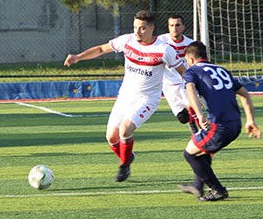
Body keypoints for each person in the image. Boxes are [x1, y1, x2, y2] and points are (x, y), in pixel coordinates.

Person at [64, 10, 187, 182]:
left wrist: (193, 91)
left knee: (125, 130)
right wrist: (78, 57)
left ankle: (124, 166)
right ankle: (127, 157)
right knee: (111, 138)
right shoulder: (127, 40)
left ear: (151, 28)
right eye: (136, 27)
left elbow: (184, 72)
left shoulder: (164, 50)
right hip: (125, 98)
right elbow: (101, 49)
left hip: (147, 100)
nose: (137, 32)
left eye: (142, 28)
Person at [178, 41, 261, 201]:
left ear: (190, 59)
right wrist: (250, 120)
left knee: (189, 154)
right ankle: (197, 186)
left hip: (219, 126)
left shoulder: (192, 71)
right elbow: (245, 94)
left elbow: (190, 91)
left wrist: (200, 115)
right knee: (202, 150)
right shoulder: (222, 70)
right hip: (235, 124)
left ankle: (218, 190)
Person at [158, 15, 198, 134]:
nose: (174, 28)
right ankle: (190, 121)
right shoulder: (161, 41)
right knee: (182, 117)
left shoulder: (191, 44)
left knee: (192, 106)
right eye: (172, 25)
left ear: (183, 27)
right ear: (168, 27)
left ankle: (199, 133)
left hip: (186, 81)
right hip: (168, 84)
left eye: (177, 25)